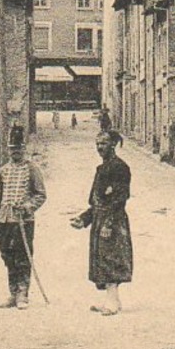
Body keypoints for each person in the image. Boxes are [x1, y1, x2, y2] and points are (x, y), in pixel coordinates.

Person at [72, 129, 133, 315]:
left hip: (113, 221)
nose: (99, 148)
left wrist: (108, 224)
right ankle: (110, 299)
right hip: (100, 220)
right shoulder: (101, 168)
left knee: (112, 258)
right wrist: (84, 219)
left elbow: (120, 198)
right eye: (97, 144)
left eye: (104, 144)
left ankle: (113, 303)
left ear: (113, 145)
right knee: (101, 259)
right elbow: (97, 201)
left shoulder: (120, 167)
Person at [0, 133, 47, 309]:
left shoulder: (32, 169)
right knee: (8, 257)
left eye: (19, 148)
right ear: (9, 150)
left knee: (23, 256)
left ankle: (23, 293)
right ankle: (13, 292)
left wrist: (28, 206)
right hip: (4, 220)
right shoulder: (4, 170)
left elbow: (41, 195)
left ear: (24, 149)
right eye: (13, 149)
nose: (16, 152)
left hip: (23, 221)